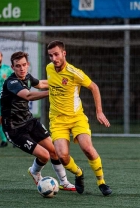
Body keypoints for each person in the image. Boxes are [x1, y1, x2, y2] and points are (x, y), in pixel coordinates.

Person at [0, 51, 75, 191]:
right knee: (44, 155)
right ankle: (34, 172)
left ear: (28, 65)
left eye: (23, 65)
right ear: (12, 67)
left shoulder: (27, 77)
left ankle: (64, 182)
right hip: (14, 129)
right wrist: (53, 92)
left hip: (29, 121)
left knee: (54, 151)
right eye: (17, 66)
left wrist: (62, 82)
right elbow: (28, 95)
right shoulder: (12, 82)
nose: (21, 69)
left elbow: (41, 83)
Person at [46, 40, 112, 196]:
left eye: (56, 54)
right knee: (62, 156)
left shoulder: (75, 72)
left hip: (77, 118)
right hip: (57, 120)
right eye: (50, 55)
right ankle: (79, 173)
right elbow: (50, 84)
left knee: (87, 149)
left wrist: (99, 111)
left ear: (64, 53)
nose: (53, 58)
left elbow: (94, 87)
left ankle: (101, 182)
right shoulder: (49, 68)